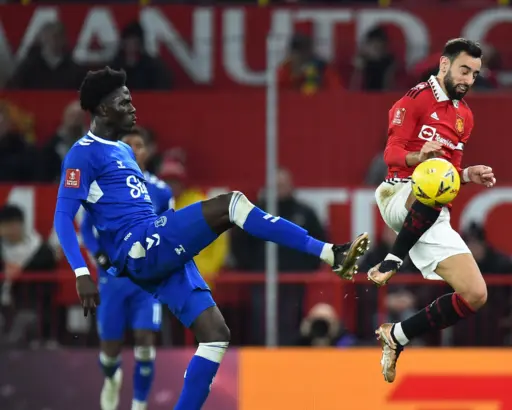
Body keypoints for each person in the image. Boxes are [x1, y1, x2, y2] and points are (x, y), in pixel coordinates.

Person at [53, 67, 369, 409]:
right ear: (102, 109)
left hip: (154, 248)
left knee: (216, 337)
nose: (133, 108)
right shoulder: (82, 154)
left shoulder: (124, 152)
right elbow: (62, 217)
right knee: (231, 204)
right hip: (139, 245)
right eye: (124, 102)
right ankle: (330, 254)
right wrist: (82, 272)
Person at [366, 39, 496, 382]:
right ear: (444, 65)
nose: (468, 79)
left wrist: (468, 174)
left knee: (476, 294)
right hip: (398, 194)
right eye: (463, 70)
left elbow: (451, 175)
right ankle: (392, 259)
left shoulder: (465, 117)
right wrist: (419, 158)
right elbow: (391, 154)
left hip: (431, 210)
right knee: (433, 177)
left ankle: (397, 336)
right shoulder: (415, 99)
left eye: (475, 74)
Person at [80, 129, 172, 410]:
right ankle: (111, 378)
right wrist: (98, 255)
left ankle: (140, 403)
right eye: (127, 145)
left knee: (145, 339)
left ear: (147, 151)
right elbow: (85, 227)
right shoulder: (102, 186)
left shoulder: (161, 190)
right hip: (113, 280)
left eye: (139, 145)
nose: (133, 149)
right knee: (110, 348)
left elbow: (170, 228)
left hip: (146, 281)